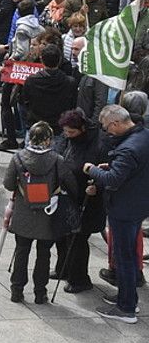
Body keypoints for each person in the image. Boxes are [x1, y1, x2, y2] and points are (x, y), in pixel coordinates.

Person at [84, 104, 149, 323]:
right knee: (127, 255)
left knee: (124, 257)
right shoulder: (143, 135)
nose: (107, 132)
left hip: (124, 208)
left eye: (107, 127)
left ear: (116, 123)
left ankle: (126, 308)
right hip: (138, 204)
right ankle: (127, 296)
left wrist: (91, 170)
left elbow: (112, 180)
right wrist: (112, 166)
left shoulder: (128, 148)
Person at [2, 121, 78, 304]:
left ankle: (17, 290)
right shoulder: (57, 160)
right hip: (47, 214)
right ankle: (40, 292)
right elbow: (71, 184)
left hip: (23, 213)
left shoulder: (18, 158)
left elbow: (8, 184)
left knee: (21, 251)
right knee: (44, 254)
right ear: (49, 140)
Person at [52, 110, 101, 296]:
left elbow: (100, 169)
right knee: (62, 236)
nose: (67, 135)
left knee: (77, 240)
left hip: (85, 199)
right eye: (65, 131)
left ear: (82, 128)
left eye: (71, 132)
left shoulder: (95, 144)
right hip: (65, 196)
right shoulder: (66, 140)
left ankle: (80, 278)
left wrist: (95, 186)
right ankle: (63, 268)